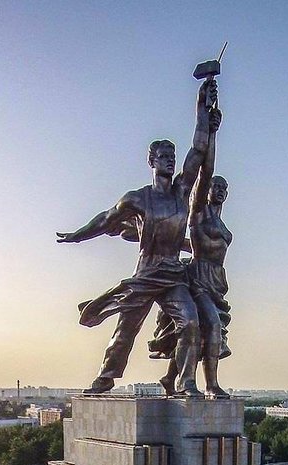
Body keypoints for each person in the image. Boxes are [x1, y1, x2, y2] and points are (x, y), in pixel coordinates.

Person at [58, 78, 219, 397]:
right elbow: (106, 219)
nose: (171, 161)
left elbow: (199, 150)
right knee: (125, 330)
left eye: (173, 157)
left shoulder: (181, 192)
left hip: (173, 274)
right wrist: (78, 236)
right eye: (164, 157)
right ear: (152, 162)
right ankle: (106, 376)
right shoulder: (138, 199)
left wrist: (202, 106)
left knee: (189, 323)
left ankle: (186, 380)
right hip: (146, 274)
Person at [152, 116, 233, 398]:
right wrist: (211, 133)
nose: (219, 190)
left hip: (217, 282)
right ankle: (206, 384)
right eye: (215, 187)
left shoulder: (223, 225)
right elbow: (206, 170)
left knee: (205, 331)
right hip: (198, 276)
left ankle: (170, 376)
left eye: (224, 188)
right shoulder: (199, 214)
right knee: (208, 324)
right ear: (206, 191)